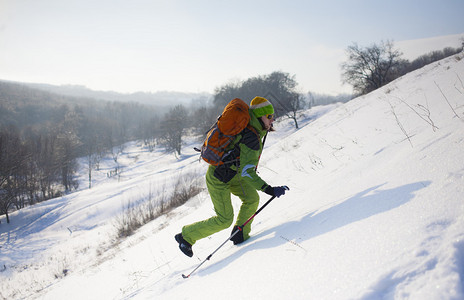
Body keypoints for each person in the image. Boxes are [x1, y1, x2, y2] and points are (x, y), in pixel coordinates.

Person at [175, 96, 288, 257]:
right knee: (224, 219)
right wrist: (269, 189)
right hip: (218, 178)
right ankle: (186, 237)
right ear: (259, 116)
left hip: (233, 174)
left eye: (272, 116)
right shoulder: (252, 137)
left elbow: (244, 167)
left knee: (252, 199)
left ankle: (240, 233)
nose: (272, 120)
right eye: (269, 116)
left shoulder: (252, 130)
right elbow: (247, 172)